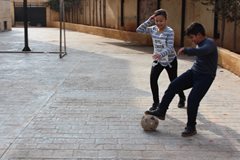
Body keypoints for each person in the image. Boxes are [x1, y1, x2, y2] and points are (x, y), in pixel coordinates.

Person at [145, 22, 218, 137]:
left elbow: (203, 51)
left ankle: (191, 127)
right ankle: (161, 110)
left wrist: (188, 50)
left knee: (193, 100)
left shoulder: (210, 43)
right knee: (173, 85)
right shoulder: (200, 43)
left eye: (192, 37)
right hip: (194, 72)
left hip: (206, 77)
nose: (192, 40)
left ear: (199, 34)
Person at [136, 9, 186, 111]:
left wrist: (160, 54)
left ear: (166, 20)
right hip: (158, 60)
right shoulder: (153, 29)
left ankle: (182, 97)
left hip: (170, 60)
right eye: (157, 21)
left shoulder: (170, 31)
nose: (159, 23)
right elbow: (139, 30)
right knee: (153, 80)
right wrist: (149, 20)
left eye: (161, 21)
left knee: (174, 82)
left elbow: (170, 47)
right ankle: (156, 103)